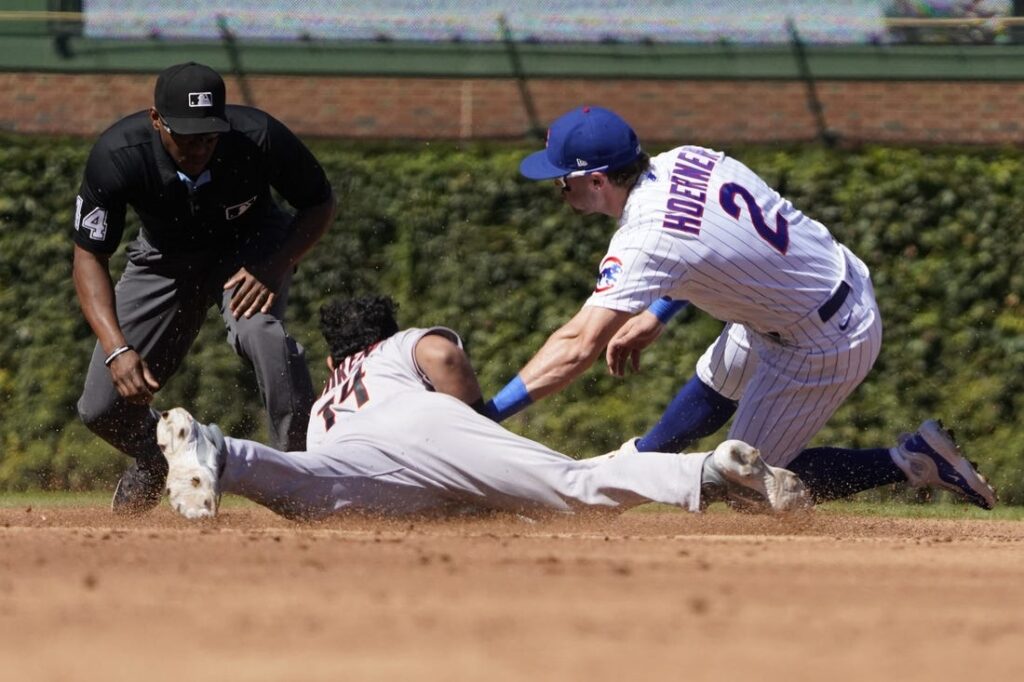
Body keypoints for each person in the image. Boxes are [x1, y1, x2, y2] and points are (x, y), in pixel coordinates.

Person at [483, 105, 995, 510]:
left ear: (596, 180)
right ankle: (634, 464)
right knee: (713, 389)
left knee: (744, 488)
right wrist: (657, 314)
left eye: (562, 178)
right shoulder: (687, 158)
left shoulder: (643, 237)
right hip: (807, 293)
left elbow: (577, 345)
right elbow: (717, 244)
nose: (558, 188)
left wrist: (486, 416)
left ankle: (910, 461)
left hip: (823, 338)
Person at [154, 296, 811, 521]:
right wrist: (476, 419)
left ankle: (221, 452)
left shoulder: (331, 389)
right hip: (428, 426)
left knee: (304, 493)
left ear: (334, 358)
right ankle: (710, 470)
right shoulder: (404, 343)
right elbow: (441, 357)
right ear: (384, 331)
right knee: (574, 490)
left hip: (345, 456)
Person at [72, 62, 337, 515]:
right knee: (101, 407)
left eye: (209, 136)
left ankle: (298, 475)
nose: (198, 148)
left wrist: (274, 266)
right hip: (165, 260)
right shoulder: (119, 154)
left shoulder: (258, 136)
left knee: (265, 338)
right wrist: (117, 348)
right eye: (186, 136)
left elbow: (319, 202)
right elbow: (88, 255)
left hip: (250, 253)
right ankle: (160, 455)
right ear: (157, 120)